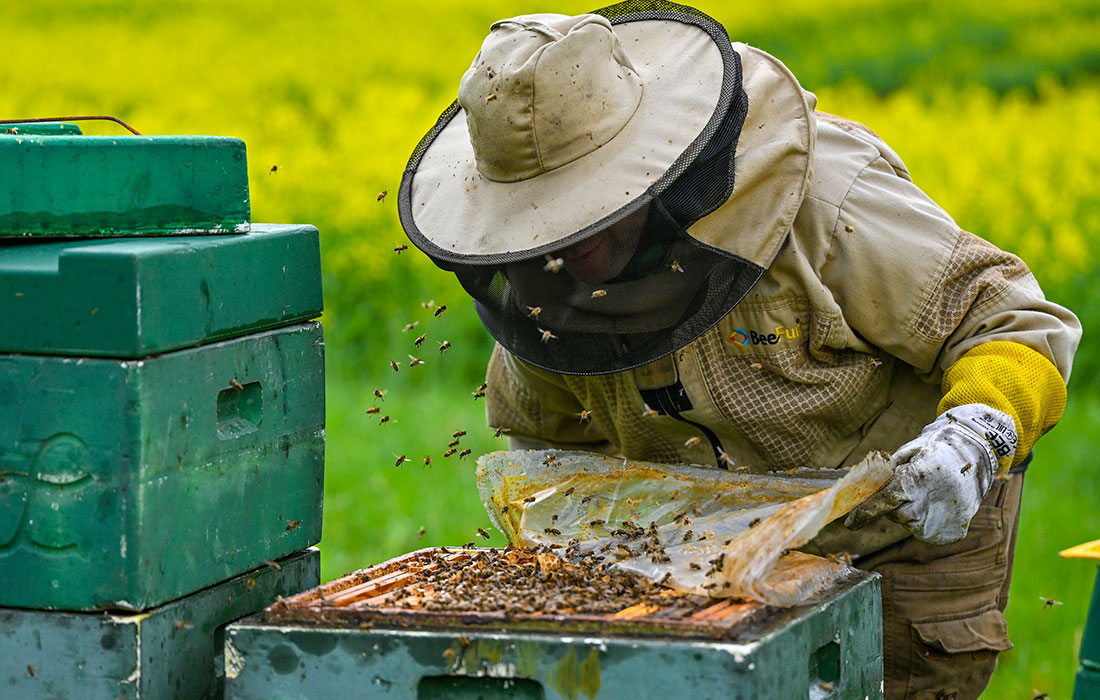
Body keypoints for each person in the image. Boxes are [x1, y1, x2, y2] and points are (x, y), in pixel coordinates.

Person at [397, 3, 1080, 698]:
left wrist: (974, 436)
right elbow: (549, 437)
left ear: (651, 162)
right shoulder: (539, 280)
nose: (569, 242)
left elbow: (1011, 320)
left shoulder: (824, 198)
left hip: (901, 534)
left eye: (584, 205)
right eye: (542, 216)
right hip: (698, 563)